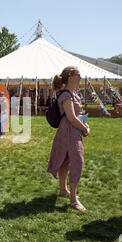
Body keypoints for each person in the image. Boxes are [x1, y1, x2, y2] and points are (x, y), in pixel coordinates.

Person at [47, 67, 90, 211]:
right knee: (77, 162)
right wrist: (84, 129)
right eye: (79, 74)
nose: (81, 76)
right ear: (71, 76)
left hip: (71, 131)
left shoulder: (71, 93)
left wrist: (84, 125)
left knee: (66, 160)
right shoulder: (66, 95)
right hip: (69, 132)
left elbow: (76, 116)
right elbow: (71, 117)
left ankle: (63, 189)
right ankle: (73, 200)